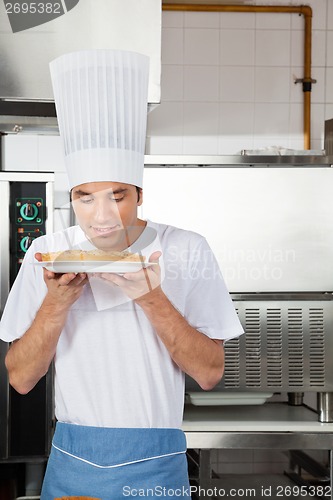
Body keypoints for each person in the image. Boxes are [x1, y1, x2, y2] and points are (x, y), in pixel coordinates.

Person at [0, 50, 244, 499]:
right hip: (73, 457)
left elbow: (209, 373)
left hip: (158, 463)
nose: (102, 216)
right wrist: (56, 304)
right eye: (85, 197)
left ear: (140, 194)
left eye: (117, 196)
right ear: (71, 197)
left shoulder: (186, 249)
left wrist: (151, 297)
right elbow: (20, 378)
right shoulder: (49, 253)